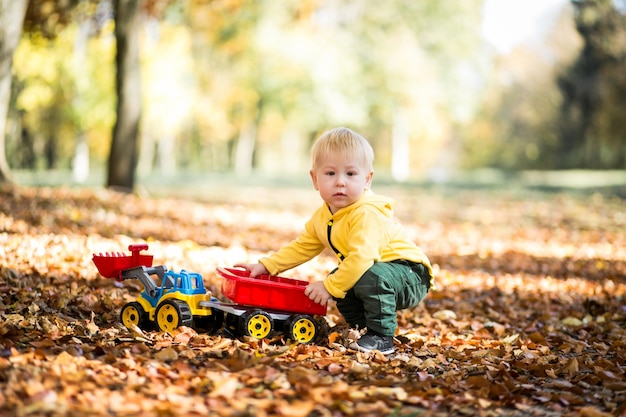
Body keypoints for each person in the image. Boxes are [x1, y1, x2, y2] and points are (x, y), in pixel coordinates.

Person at [235, 127, 435, 354]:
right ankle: (361, 329)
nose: (340, 182)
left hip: (410, 274)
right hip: (378, 270)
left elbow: (362, 258)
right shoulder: (324, 216)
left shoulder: (366, 214)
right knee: (341, 278)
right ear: (315, 179)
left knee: (357, 278)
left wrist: (329, 287)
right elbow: (302, 246)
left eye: (350, 174)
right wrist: (266, 266)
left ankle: (381, 335)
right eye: (330, 174)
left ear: (367, 180)